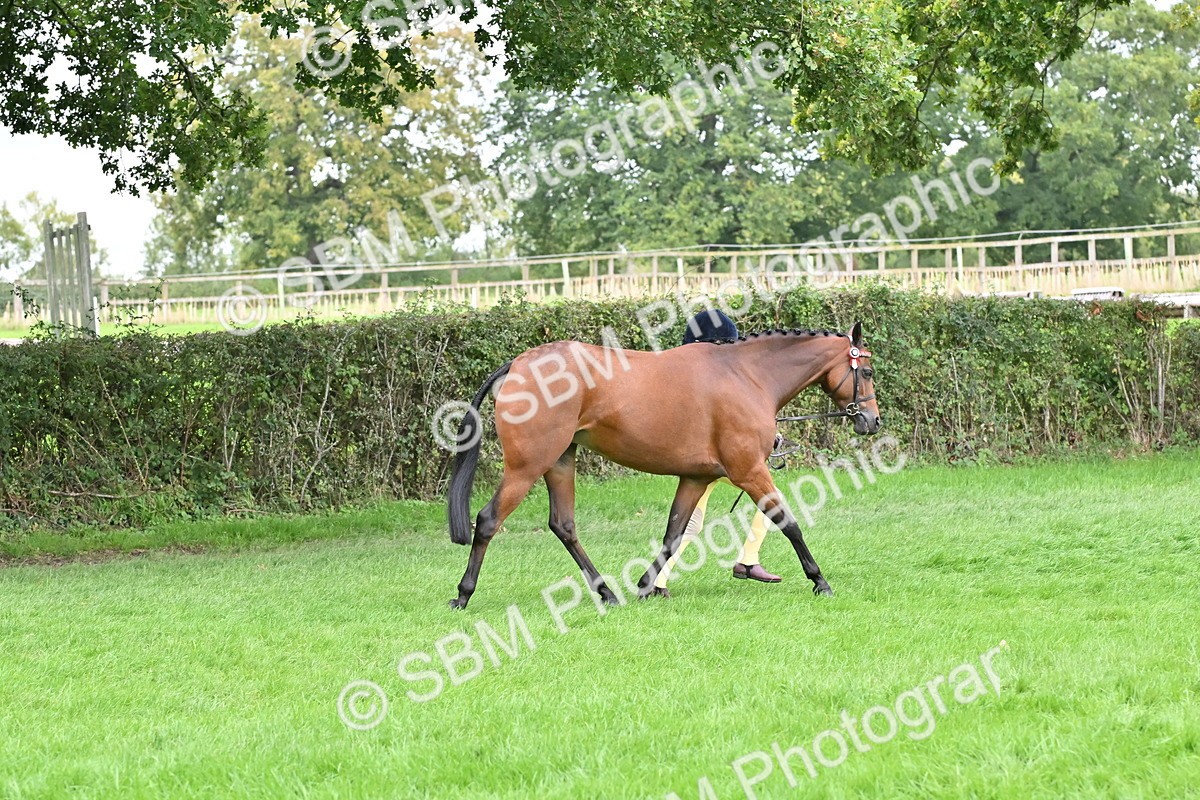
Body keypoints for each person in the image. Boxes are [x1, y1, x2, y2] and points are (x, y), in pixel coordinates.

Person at [652, 310, 782, 593]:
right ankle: (748, 560)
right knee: (771, 498)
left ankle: (658, 580)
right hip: (711, 462)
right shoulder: (707, 380)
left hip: (704, 462)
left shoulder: (693, 377)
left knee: (692, 523)